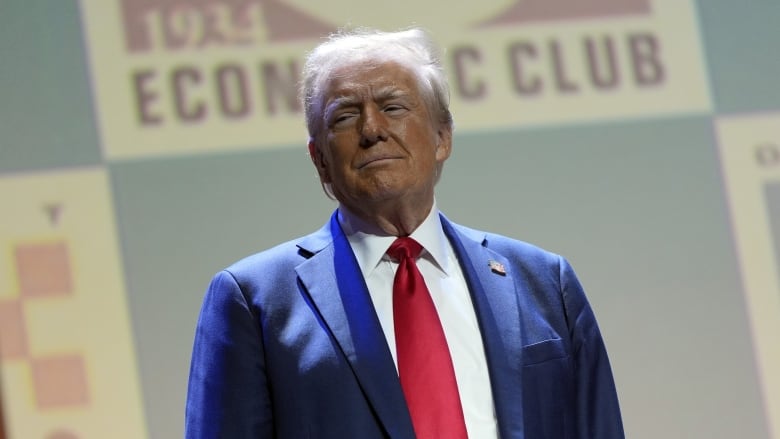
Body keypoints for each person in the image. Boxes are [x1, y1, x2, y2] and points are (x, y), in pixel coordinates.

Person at [185, 27, 624, 439]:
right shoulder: (254, 300)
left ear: (442, 137)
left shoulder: (545, 282)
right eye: (344, 117)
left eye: (393, 107)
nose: (372, 130)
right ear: (319, 160)